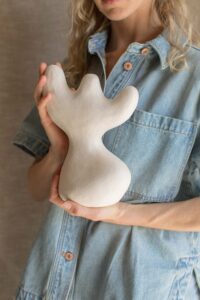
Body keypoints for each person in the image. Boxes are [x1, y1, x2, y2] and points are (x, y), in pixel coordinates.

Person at [12, 0, 200, 299]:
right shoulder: (72, 71)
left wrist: (117, 212)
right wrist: (60, 150)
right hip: (55, 287)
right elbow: (36, 188)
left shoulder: (194, 79)